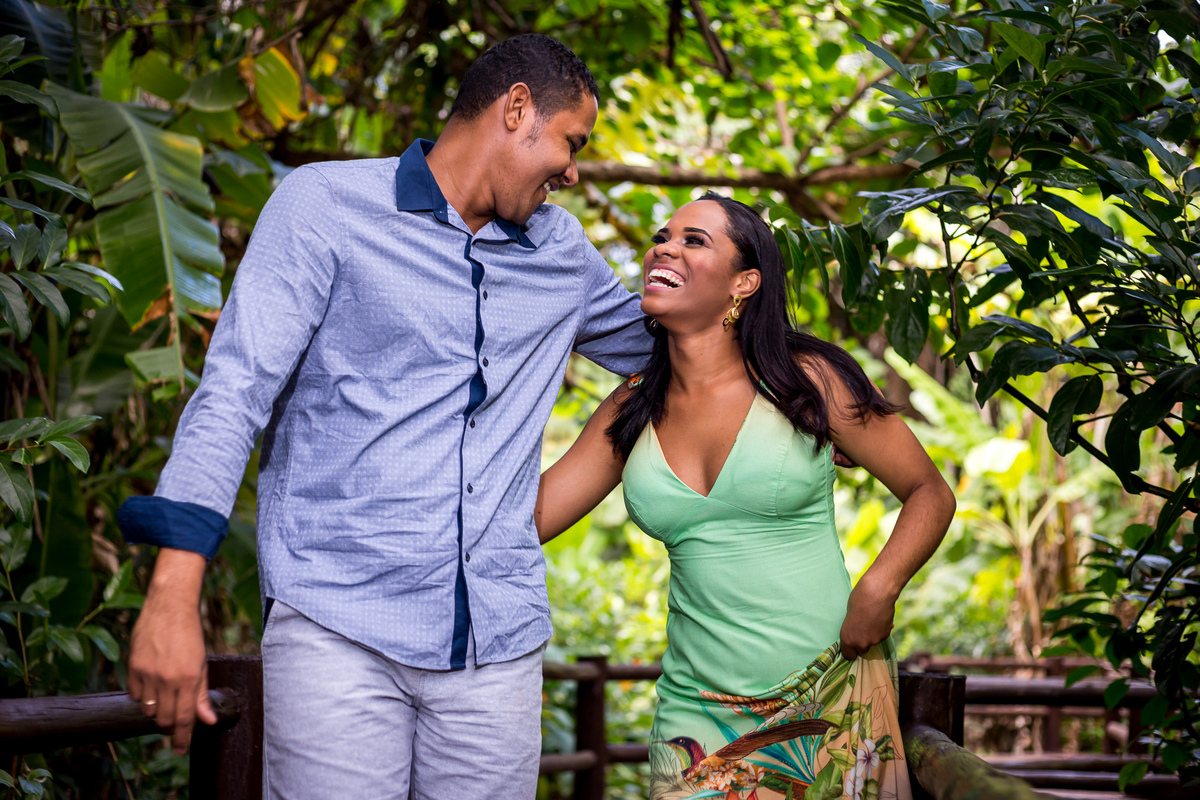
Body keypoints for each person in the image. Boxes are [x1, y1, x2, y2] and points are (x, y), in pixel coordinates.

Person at [116, 34, 653, 799]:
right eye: (572, 143)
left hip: (497, 645)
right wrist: (174, 593)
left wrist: (808, 393)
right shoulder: (324, 206)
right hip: (338, 630)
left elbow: (676, 346)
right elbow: (234, 392)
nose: (573, 171)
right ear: (517, 108)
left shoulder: (560, 252)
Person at [535, 193, 957, 800]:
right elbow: (533, 516)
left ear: (744, 283)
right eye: (662, 236)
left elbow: (929, 492)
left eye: (693, 240)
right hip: (694, 716)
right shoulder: (631, 408)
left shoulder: (805, 379)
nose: (664, 247)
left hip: (828, 685)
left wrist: (879, 587)